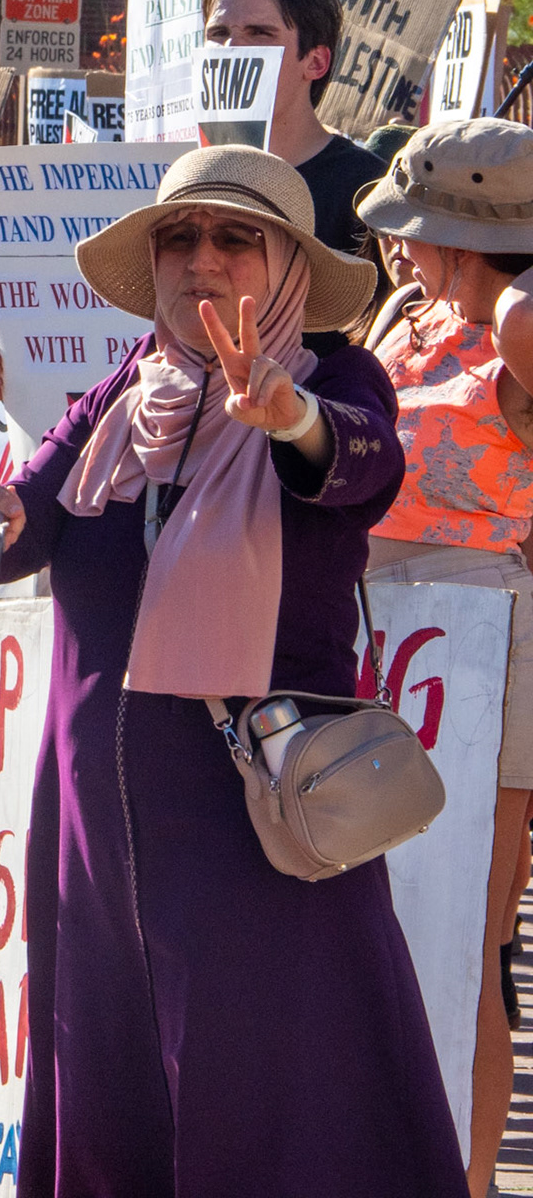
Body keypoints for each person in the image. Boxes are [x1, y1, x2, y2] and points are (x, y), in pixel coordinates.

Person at [0, 144, 463, 1196]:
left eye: (232, 238)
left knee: (273, 1085)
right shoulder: (123, 391)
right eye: (180, 237)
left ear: (289, 267)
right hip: (100, 813)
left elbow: (362, 463)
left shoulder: (334, 378)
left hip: (251, 812)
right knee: (111, 1065)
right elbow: (24, 512)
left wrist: (288, 417)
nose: (201, 259)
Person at [354, 119, 533, 1197]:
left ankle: (461, 1180)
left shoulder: (519, 318)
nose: (400, 249)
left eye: (417, 233)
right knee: (385, 924)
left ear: (464, 237)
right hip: (382, 636)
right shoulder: (412, 314)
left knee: (467, 935)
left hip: (488, 643)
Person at [202, 0, 388, 254]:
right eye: (218, 34)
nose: (231, 49)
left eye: (259, 33)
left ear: (315, 62)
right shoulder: (189, 178)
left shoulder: (367, 188)